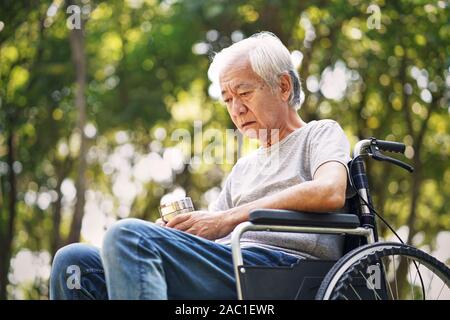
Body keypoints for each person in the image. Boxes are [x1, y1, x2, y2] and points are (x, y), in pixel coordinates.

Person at [50, 32, 351, 300]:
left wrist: (225, 219)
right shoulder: (245, 167)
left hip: (284, 268)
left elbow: (330, 191)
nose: (237, 109)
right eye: (228, 100)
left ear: (283, 86)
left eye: (244, 93)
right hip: (231, 262)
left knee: (128, 235)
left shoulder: (319, 133)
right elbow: (215, 232)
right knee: (74, 261)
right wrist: (176, 233)